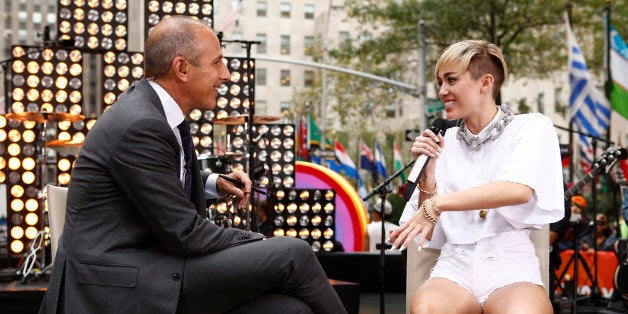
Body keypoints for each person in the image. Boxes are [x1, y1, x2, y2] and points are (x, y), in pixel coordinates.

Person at [39, 16, 345, 314]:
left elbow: (156, 174)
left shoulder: (149, 111)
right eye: (217, 63)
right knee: (293, 253)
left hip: (152, 265)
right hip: (120, 283)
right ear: (182, 68)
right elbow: (186, 234)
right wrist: (258, 242)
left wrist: (213, 182)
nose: (226, 75)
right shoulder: (140, 124)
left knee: (290, 309)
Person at [390, 40, 564, 313]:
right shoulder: (442, 142)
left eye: (451, 80)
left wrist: (437, 204)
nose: (442, 91)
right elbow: (428, 234)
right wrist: (428, 180)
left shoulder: (531, 127)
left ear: (485, 83)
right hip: (455, 263)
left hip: (510, 263)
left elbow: (518, 190)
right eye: (439, 82)